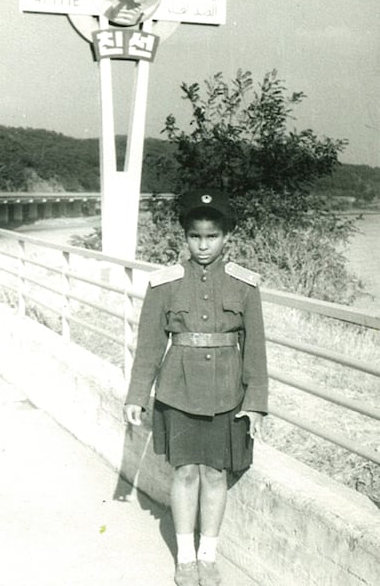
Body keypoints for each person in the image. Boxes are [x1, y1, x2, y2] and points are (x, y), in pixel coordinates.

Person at [124, 189, 268, 586]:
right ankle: (185, 558)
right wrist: (138, 395)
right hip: (178, 392)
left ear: (227, 238)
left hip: (227, 394)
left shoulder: (245, 286)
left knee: (216, 474)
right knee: (185, 473)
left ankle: (208, 555)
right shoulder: (164, 284)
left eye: (212, 236)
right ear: (184, 238)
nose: (203, 245)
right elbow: (150, 345)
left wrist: (255, 402)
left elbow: (255, 349)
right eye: (195, 236)